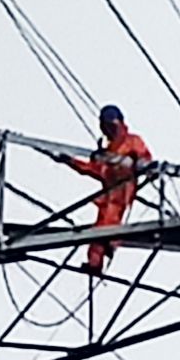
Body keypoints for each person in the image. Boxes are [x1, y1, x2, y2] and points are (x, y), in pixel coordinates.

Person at [51, 104, 152, 274]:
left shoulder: (132, 141)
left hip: (122, 191)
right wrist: (72, 161)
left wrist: (142, 165)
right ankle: (96, 262)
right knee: (99, 230)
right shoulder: (108, 152)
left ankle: (108, 246)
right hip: (109, 195)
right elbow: (94, 169)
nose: (109, 130)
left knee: (107, 227)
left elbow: (143, 160)